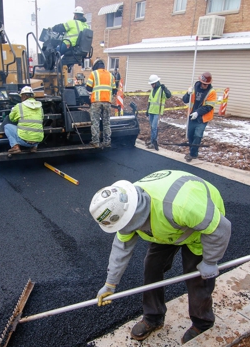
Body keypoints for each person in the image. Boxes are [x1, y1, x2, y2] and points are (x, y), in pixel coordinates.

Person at [89, 170, 231, 344]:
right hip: (164, 228)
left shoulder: (182, 204)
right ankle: (153, 317)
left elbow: (220, 228)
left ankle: (202, 322)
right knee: (152, 267)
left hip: (200, 229)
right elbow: (122, 248)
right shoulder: (126, 209)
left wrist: (210, 261)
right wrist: (110, 284)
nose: (124, 229)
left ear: (132, 214)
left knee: (198, 277)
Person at [182, 72, 217, 162]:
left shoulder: (211, 92)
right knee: (190, 136)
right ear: (200, 82)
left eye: (207, 84)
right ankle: (192, 151)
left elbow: (209, 106)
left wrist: (197, 113)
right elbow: (185, 100)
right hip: (191, 116)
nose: (205, 86)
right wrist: (188, 93)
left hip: (202, 118)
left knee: (197, 135)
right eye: (204, 84)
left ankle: (193, 154)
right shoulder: (194, 88)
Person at [86, 58, 117, 148]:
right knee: (106, 122)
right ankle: (107, 142)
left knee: (95, 122)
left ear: (95, 66)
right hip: (107, 102)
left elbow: (88, 88)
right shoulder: (111, 75)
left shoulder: (94, 74)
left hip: (96, 102)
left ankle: (96, 142)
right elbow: (114, 90)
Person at [5, 86, 44, 154]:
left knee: (7, 127)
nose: (21, 98)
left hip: (24, 140)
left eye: (22, 96)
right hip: (38, 140)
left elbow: (11, 119)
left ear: (24, 96)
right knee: (35, 127)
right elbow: (42, 118)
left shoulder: (19, 106)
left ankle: (15, 147)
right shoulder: (39, 107)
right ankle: (34, 147)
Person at [146, 75, 172, 151]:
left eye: (152, 84)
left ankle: (153, 142)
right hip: (151, 111)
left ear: (156, 82)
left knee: (154, 127)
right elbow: (150, 101)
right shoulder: (152, 90)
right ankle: (152, 141)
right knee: (152, 128)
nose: (152, 85)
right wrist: (147, 110)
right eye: (151, 84)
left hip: (157, 112)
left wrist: (165, 89)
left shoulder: (161, 89)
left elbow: (169, 95)